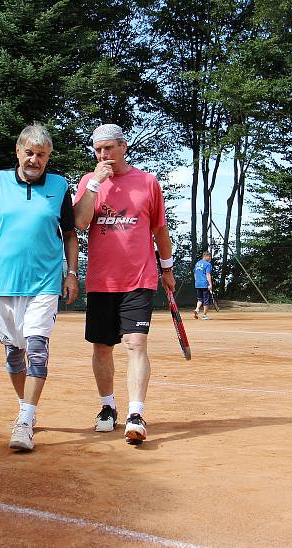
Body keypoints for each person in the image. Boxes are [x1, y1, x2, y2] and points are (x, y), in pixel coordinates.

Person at [0, 122, 79, 451]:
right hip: (4, 284)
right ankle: (25, 408)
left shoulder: (59, 186)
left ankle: (25, 421)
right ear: (18, 152)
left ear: (49, 157)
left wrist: (71, 273)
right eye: (29, 153)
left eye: (41, 155)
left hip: (44, 283)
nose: (34, 160)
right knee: (15, 353)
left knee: (37, 348)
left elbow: (69, 235)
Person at [73, 123, 176, 445]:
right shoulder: (89, 182)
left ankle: (135, 413)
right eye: (98, 150)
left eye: (109, 148)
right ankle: (107, 408)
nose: (104, 155)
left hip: (139, 278)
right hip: (102, 281)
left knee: (136, 344)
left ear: (123, 147)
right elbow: (79, 222)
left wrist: (167, 269)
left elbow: (160, 231)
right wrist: (95, 185)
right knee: (102, 346)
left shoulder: (147, 182)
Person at [193, 251, 213, 320]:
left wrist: (197, 281)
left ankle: (197, 309)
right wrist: (210, 284)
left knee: (200, 299)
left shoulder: (197, 263)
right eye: (209, 257)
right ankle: (204, 315)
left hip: (198, 284)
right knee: (206, 300)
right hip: (205, 284)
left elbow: (195, 274)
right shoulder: (208, 264)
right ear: (206, 256)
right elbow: (208, 275)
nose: (210, 258)